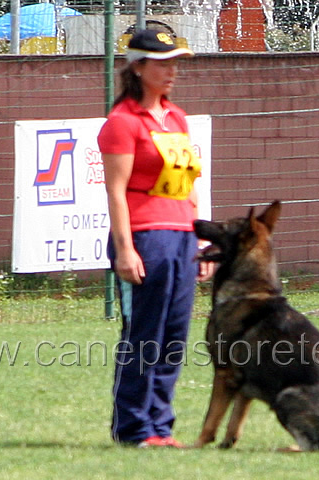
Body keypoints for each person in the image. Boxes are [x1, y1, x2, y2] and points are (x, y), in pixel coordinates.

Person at [97, 29, 213, 448]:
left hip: (182, 234)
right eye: (162, 63)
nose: (171, 71)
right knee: (144, 335)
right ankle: (133, 427)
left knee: (174, 335)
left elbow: (188, 184)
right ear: (138, 67)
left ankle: (160, 427)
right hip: (146, 238)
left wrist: (202, 242)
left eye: (175, 62)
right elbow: (116, 189)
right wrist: (125, 248)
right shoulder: (122, 122)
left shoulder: (176, 117)